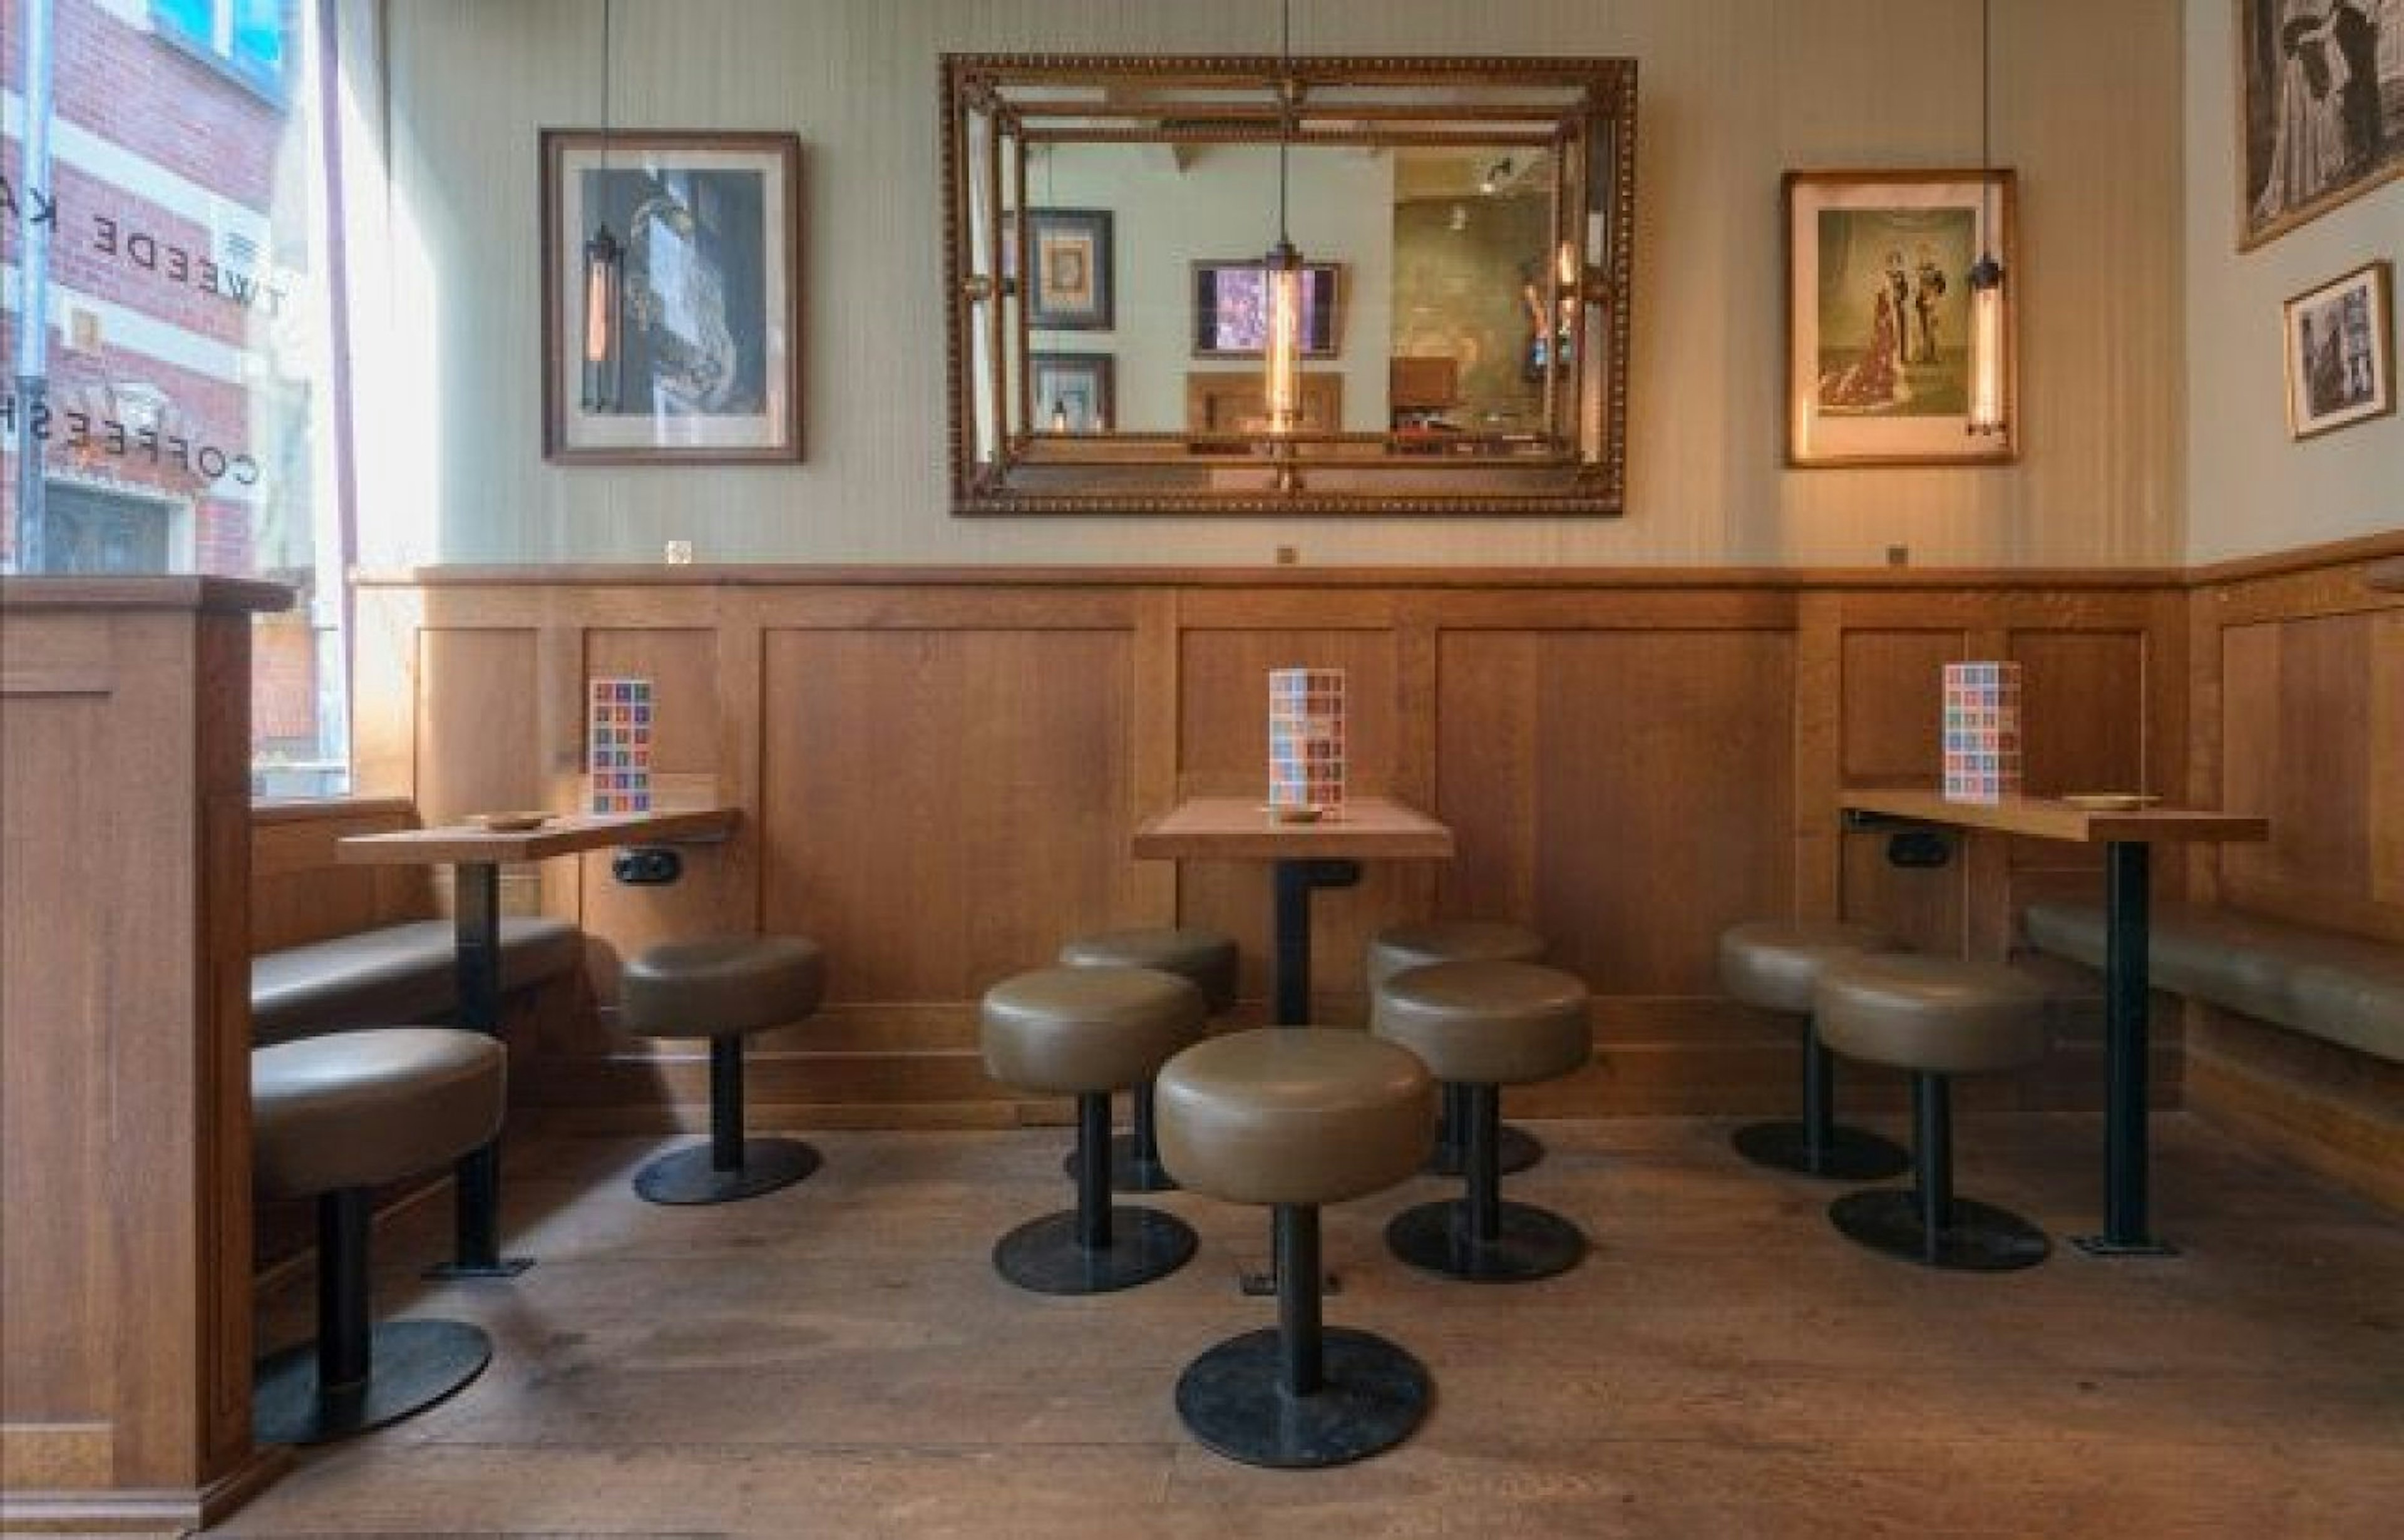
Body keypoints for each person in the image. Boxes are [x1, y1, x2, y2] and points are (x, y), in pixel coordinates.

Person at [2255, 1, 2351, 222]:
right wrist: (2303, 41)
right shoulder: (2292, 6)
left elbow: (2331, 20)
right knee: (2302, 114)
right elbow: (2290, 33)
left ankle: (2326, 166)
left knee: (2325, 110)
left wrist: (2314, 36)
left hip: (2319, 50)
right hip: (2301, 62)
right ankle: (2305, 177)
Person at [2328, 0, 2385, 175]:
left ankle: (2373, 147)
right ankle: (2359, 150)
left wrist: (2373, 15)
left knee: (2367, 87)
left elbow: (2374, 5)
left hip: (2362, 24)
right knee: (2351, 89)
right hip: (2345, 25)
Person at [1909, 243, 1948, 365]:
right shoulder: (1917, 271)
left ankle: (1935, 355)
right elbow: (1914, 288)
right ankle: (1924, 355)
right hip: (1920, 304)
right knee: (1922, 330)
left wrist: (1933, 296)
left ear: (1931, 255)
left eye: (1926, 254)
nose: (1923, 257)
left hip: (1933, 304)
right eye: (1921, 254)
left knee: (1934, 330)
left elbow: (1941, 287)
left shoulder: (1937, 271)